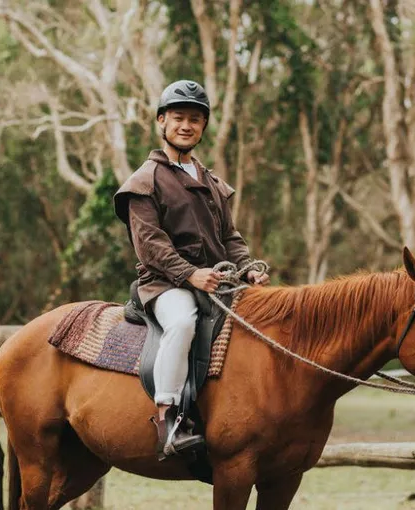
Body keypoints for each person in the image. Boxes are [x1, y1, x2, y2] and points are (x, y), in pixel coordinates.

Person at [113, 80, 270, 459]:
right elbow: (150, 245)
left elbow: (229, 236)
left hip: (217, 283)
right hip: (166, 284)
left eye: (195, 120)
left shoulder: (212, 181)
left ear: (203, 127)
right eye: (178, 118)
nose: (187, 125)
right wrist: (190, 275)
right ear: (161, 122)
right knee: (182, 322)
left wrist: (248, 268)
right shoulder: (144, 181)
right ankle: (169, 419)